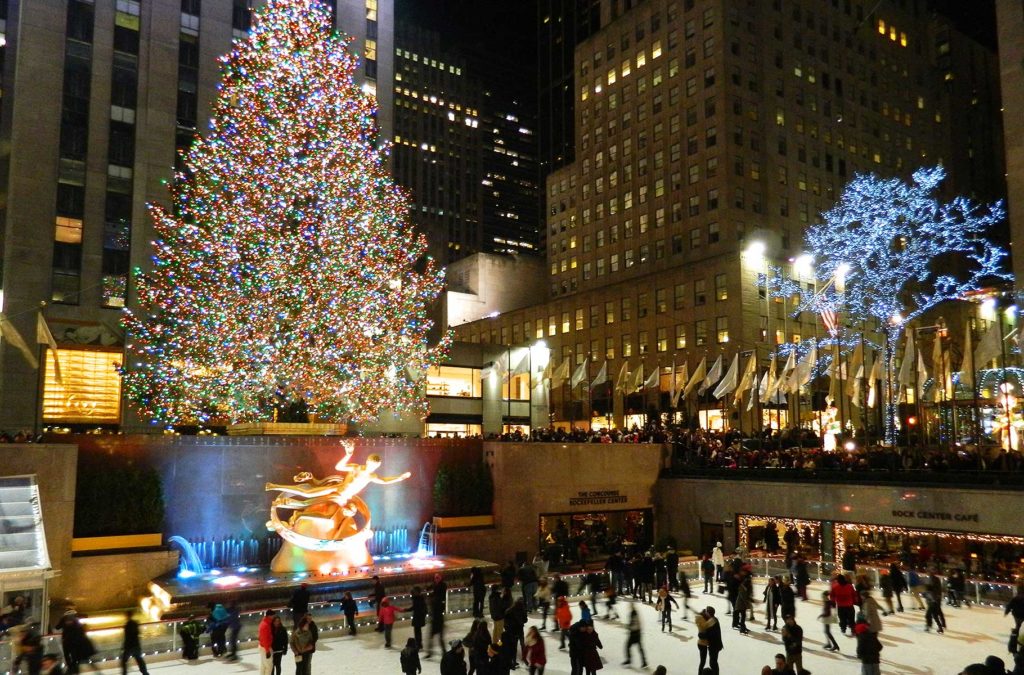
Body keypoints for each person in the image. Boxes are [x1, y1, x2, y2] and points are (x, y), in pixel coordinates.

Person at [695, 606, 723, 675]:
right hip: (715, 645)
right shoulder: (713, 619)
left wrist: (700, 635)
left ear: (708, 613)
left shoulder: (712, 621)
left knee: (713, 663)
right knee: (713, 662)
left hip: (715, 645)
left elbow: (708, 632)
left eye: (706, 612)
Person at [428, 573, 449, 657]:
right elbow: (430, 588)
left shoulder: (442, 585)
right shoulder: (434, 584)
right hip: (435, 620)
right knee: (433, 637)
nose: (436, 579)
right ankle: (431, 652)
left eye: (437, 577)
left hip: (438, 620)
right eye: (435, 577)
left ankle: (443, 652)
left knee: (439, 638)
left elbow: (439, 593)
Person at [622, 604, 647, 668]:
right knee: (639, 648)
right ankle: (644, 662)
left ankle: (629, 660)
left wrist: (629, 627)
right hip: (637, 632)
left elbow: (635, 624)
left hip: (635, 633)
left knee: (628, 646)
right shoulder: (634, 613)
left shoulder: (633, 614)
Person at [407, 586, 428, 651]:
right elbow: (415, 607)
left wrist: (406, 610)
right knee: (417, 631)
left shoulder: (418, 598)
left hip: (418, 617)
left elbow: (416, 607)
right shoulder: (417, 598)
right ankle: (419, 645)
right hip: (418, 616)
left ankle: (419, 645)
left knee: (417, 632)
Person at [257, 610, 276, 675]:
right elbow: (264, 639)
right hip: (265, 648)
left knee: (264, 666)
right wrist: (267, 650)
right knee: (269, 667)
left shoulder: (265, 623)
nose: (274, 617)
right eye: (273, 615)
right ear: (269, 616)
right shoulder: (265, 625)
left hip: (263, 647)